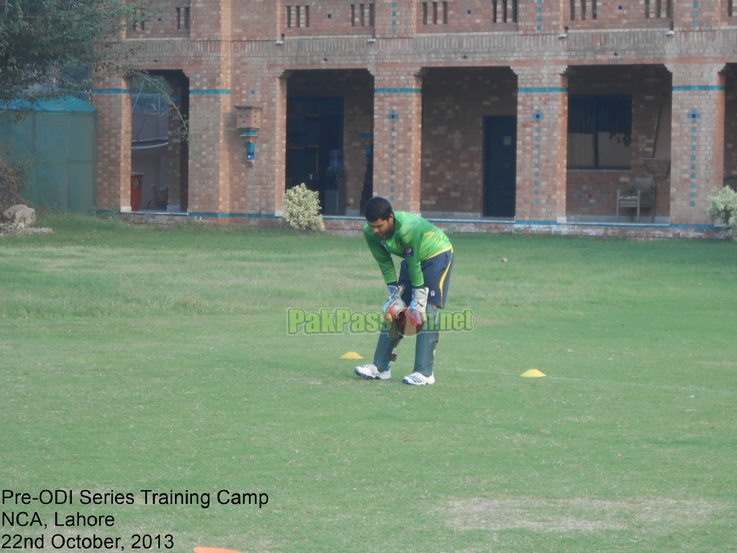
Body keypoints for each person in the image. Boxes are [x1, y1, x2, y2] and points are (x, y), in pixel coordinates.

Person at [355, 196, 454, 385]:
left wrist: (418, 299)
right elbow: (385, 263)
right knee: (395, 310)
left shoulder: (408, 228)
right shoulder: (370, 232)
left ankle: (424, 372)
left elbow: (415, 264)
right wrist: (394, 296)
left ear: (390, 218)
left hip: (436, 255)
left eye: (379, 226)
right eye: (372, 226)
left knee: (426, 310)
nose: (375, 231)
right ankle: (380, 367)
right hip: (412, 261)